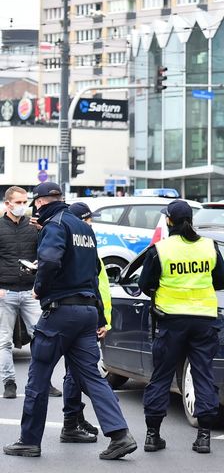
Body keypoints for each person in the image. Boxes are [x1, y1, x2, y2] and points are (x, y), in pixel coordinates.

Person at [4, 182, 136, 460]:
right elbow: (92, 273)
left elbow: (50, 260)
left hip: (61, 311)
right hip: (87, 311)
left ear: (40, 203)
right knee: (92, 376)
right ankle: (120, 435)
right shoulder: (84, 228)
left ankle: (29, 441)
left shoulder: (55, 226)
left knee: (38, 376)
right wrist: (99, 315)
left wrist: (39, 286)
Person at [137, 200, 224, 454]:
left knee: (161, 376)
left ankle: (152, 435)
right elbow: (221, 280)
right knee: (202, 375)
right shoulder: (209, 246)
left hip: (171, 320)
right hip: (203, 320)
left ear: (169, 221)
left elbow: (145, 284)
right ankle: (204, 436)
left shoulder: (161, 249)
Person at [60, 202, 113, 444]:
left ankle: (75, 419)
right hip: (86, 317)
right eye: (87, 220)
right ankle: (72, 421)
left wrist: (103, 319)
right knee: (78, 374)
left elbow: (100, 287)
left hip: (92, 316)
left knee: (77, 373)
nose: (90, 225)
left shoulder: (87, 247)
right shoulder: (79, 249)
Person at [0, 186, 61, 399]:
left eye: (25, 202)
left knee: (41, 337)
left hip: (30, 291)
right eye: (18, 202)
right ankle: (9, 383)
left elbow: (46, 253)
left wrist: (42, 230)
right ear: (8, 204)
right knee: (4, 340)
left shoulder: (33, 226)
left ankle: (44, 382)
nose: (23, 206)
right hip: (5, 291)